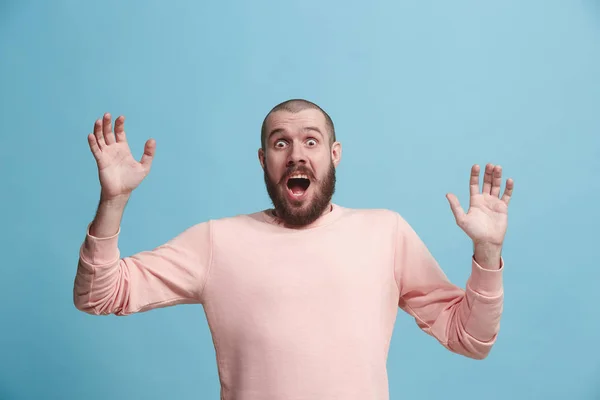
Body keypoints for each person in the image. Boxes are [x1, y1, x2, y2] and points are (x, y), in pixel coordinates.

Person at [73, 99, 514, 400]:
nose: (296, 155)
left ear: (334, 154)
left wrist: (488, 251)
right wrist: (114, 200)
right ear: (263, 160)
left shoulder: (385, 232)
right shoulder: (217, 241)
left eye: (311, 141)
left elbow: (469, 338)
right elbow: (99, 295)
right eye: (281, 142)